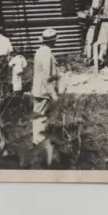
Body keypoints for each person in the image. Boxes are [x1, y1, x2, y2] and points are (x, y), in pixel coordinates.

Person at [31, 28, 60, 166]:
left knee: (39, 116)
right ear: (53, 41)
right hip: (43, 91)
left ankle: (37, 140)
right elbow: (46, 76)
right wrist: (53, 93)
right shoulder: (47, 53)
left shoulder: (40, 50)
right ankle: (39, 143)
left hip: (39, 89)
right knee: (41, 117)